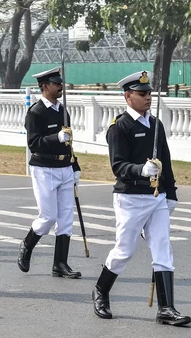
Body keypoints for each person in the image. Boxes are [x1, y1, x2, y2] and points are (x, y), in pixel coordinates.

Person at [92, 71, 190, 326]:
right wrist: (140, 169)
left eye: (148, 93)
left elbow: (166, 163)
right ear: (128, 96)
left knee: (162, 248)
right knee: (125, 250)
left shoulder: (155, 124)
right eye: (142, 93)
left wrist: (171, 193)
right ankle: (101, 290)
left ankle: (166, 308)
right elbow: (118, 167)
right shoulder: (119, 127)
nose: (147, 97)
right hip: (131, 198)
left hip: (156, 197)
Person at [17, 67, 82, 279]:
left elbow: (68, 144)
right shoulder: (36, 112)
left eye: (60, 82)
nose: (60, 86)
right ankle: (27, 244)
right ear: (45, 86)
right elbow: (33, 144)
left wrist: (75, 166)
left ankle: (60, 264)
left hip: (64, 167)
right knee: (48, 217)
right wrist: (56, 138)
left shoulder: (63, 110)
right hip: (44, 168)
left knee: (65, 218)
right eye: (56, 83)